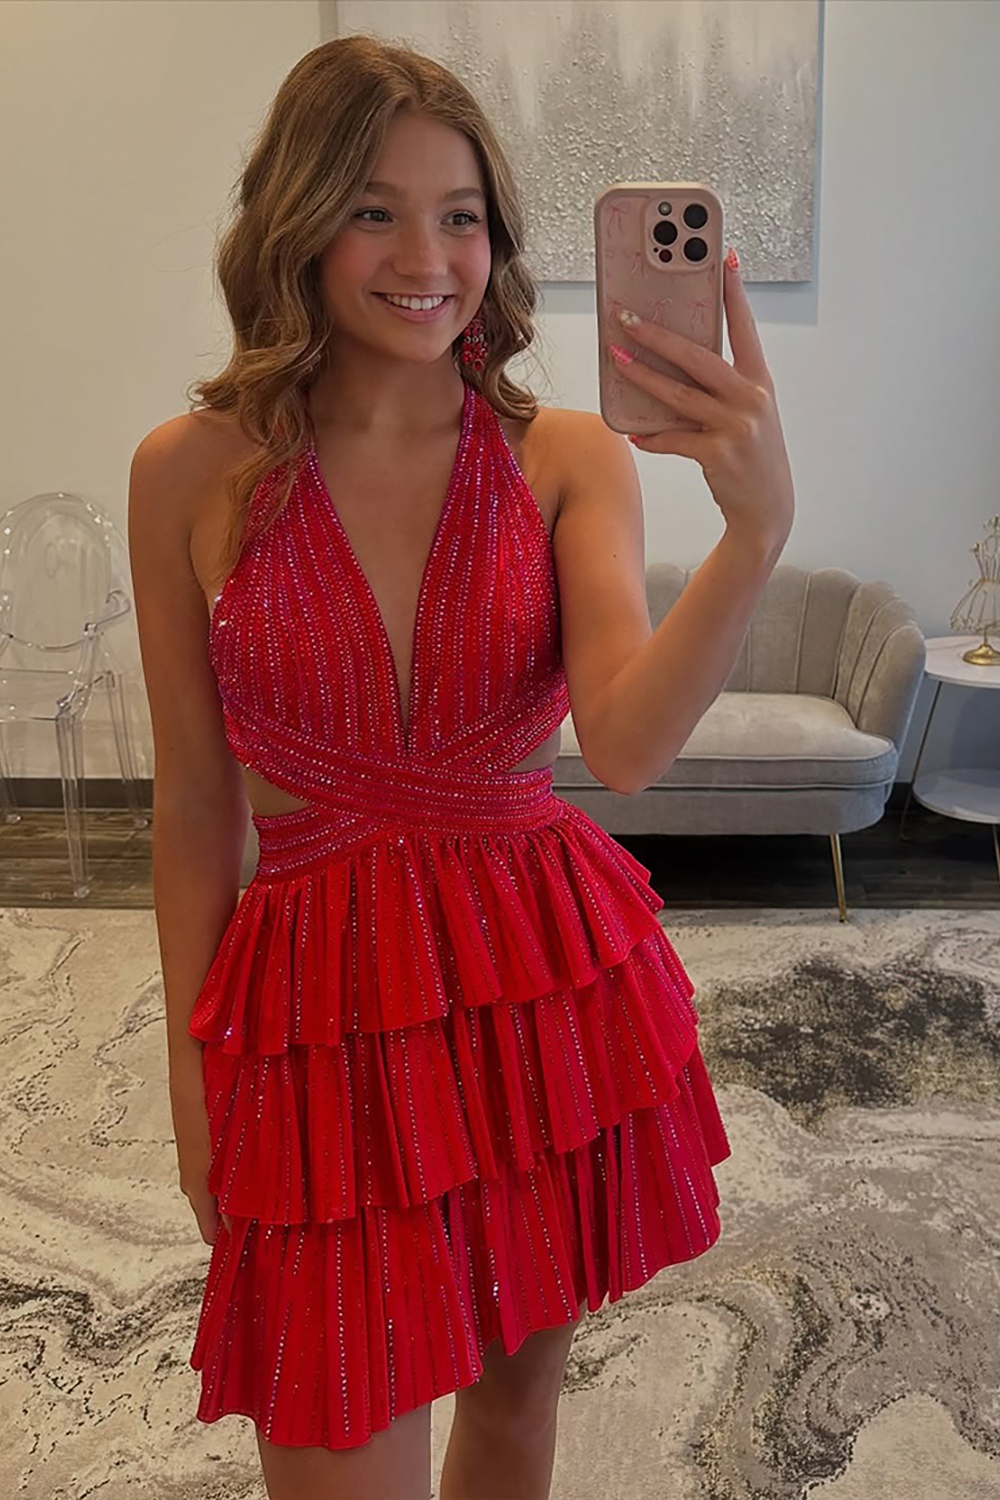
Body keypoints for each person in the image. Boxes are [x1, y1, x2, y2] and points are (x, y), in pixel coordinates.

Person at [128, 33, 794, 1500]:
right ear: (298, 219)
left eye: (461, 214)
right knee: (333, 1432)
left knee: (511, 1412)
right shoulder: (188, 470)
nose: (427, 258)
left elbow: (624, 745)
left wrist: (754, 537)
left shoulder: (567, 455)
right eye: (374, 210)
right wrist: (191, 1078)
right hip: (317, 1016)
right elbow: (194, 804)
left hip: (530, 987)